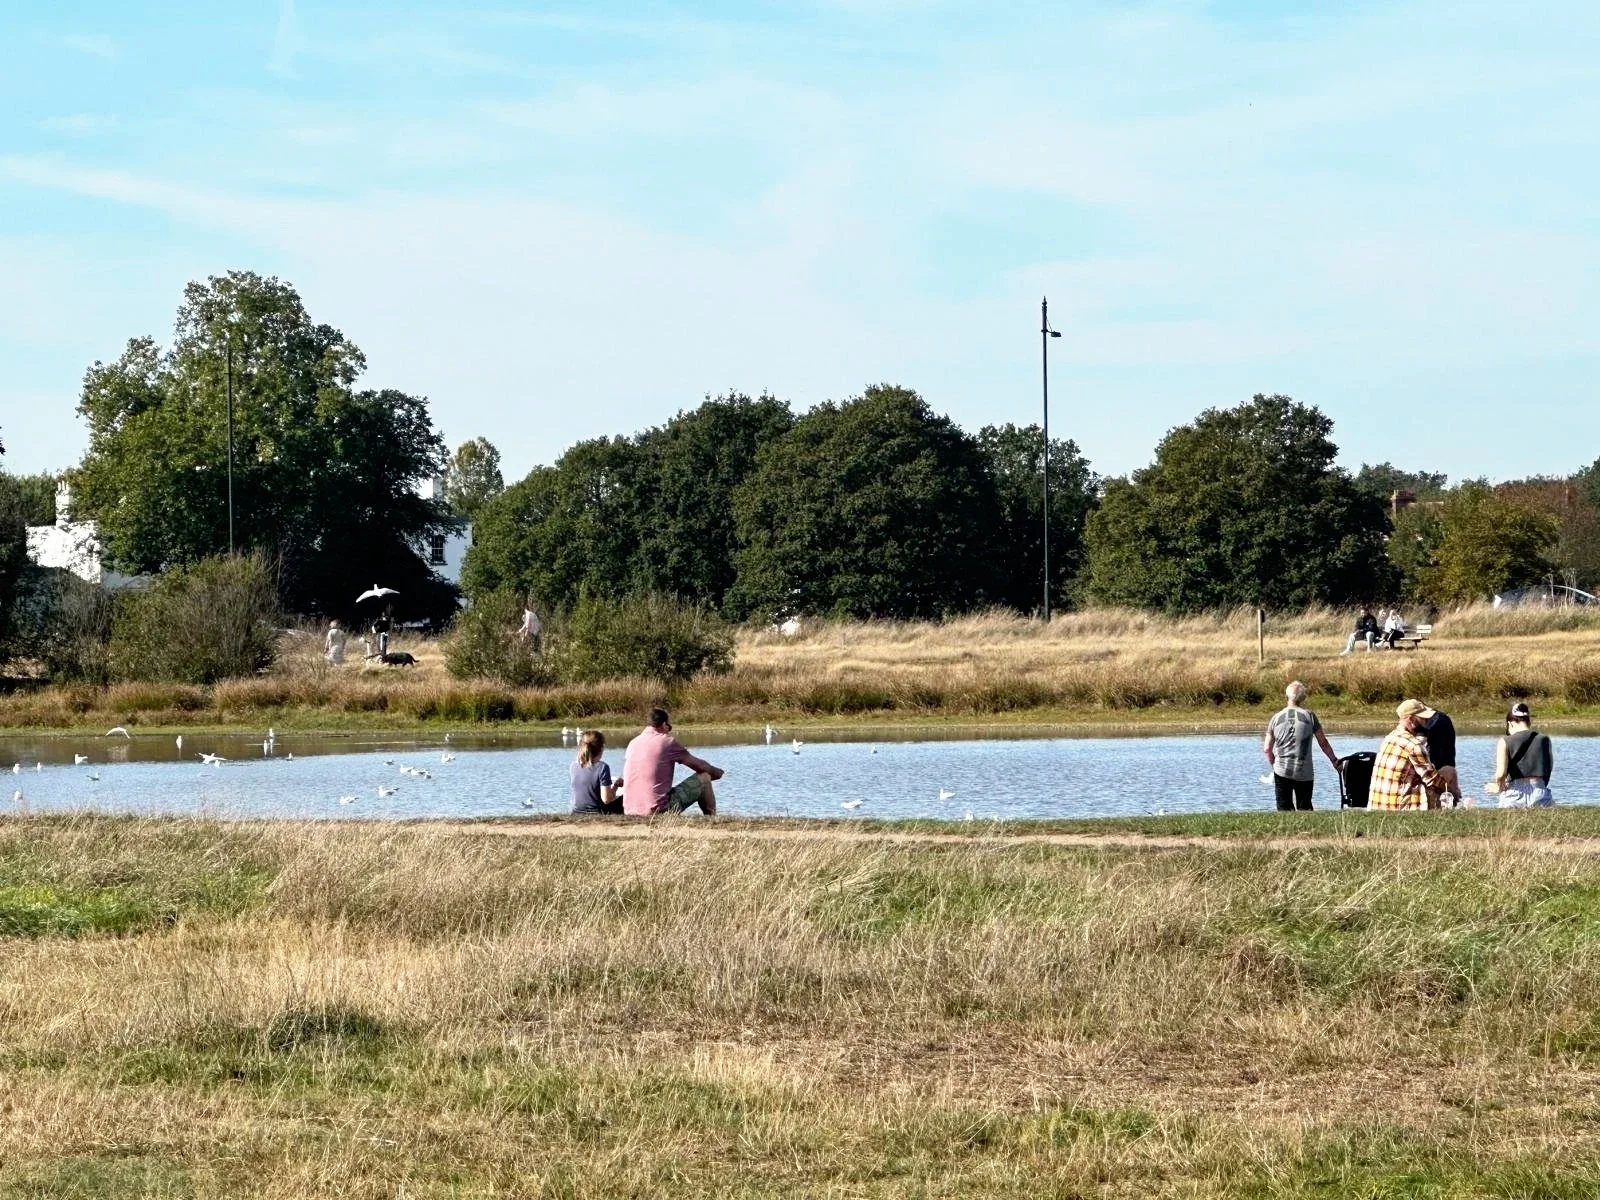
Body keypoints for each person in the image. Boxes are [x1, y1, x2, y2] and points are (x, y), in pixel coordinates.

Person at [622, 707, 724, 816]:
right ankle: (712, 819)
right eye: (669, 727)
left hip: (629, 811)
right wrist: (716, 772)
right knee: (704, 778)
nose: (668, 732)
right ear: (664, 725)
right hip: (657, 811)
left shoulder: (633, 743)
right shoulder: (667, 742)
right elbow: (700, 766)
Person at [1262, 681, 1340, 811]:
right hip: (1304, 771)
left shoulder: (1275, 718)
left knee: (1284, 809)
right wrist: (1334, 761)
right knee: (1305, 808)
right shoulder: (1310, 716)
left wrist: (1273, 763)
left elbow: (1267, 749)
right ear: (1303, 699)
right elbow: (1323, 743)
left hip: (1281, 770)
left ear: (1286, 697)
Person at [1368, 698, 1442, 810]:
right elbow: (1432, 779)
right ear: (1411, 719)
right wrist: (1450, 788)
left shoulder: (1389, 738)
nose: (1426, 723)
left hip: (1377, 805)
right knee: (1436, 788)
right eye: (1423, 719)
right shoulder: (1414, 745)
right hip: (1397, 808)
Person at [1485, 701, 1554, 807]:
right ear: (1529, 722)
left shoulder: (1504, 741)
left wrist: (1498, 788)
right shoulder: (1545, 740)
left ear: (1510, 723)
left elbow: (1500, 774)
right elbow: (1548, 770)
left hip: (1515, 795)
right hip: (1540, 793)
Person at [1415, 702, 1459, 806]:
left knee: (1439, 798)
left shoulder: (1431, 721)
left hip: (1438, 767)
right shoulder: (1442, 718)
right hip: (1447, 765)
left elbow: (1418, 743)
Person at [570, 729, 622, 815]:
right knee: (624, 799)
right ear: (602, 748)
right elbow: (606, 799)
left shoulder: (573, 766)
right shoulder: (603, 767)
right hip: (597, 812)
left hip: (576, 812)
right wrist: (616, 785)